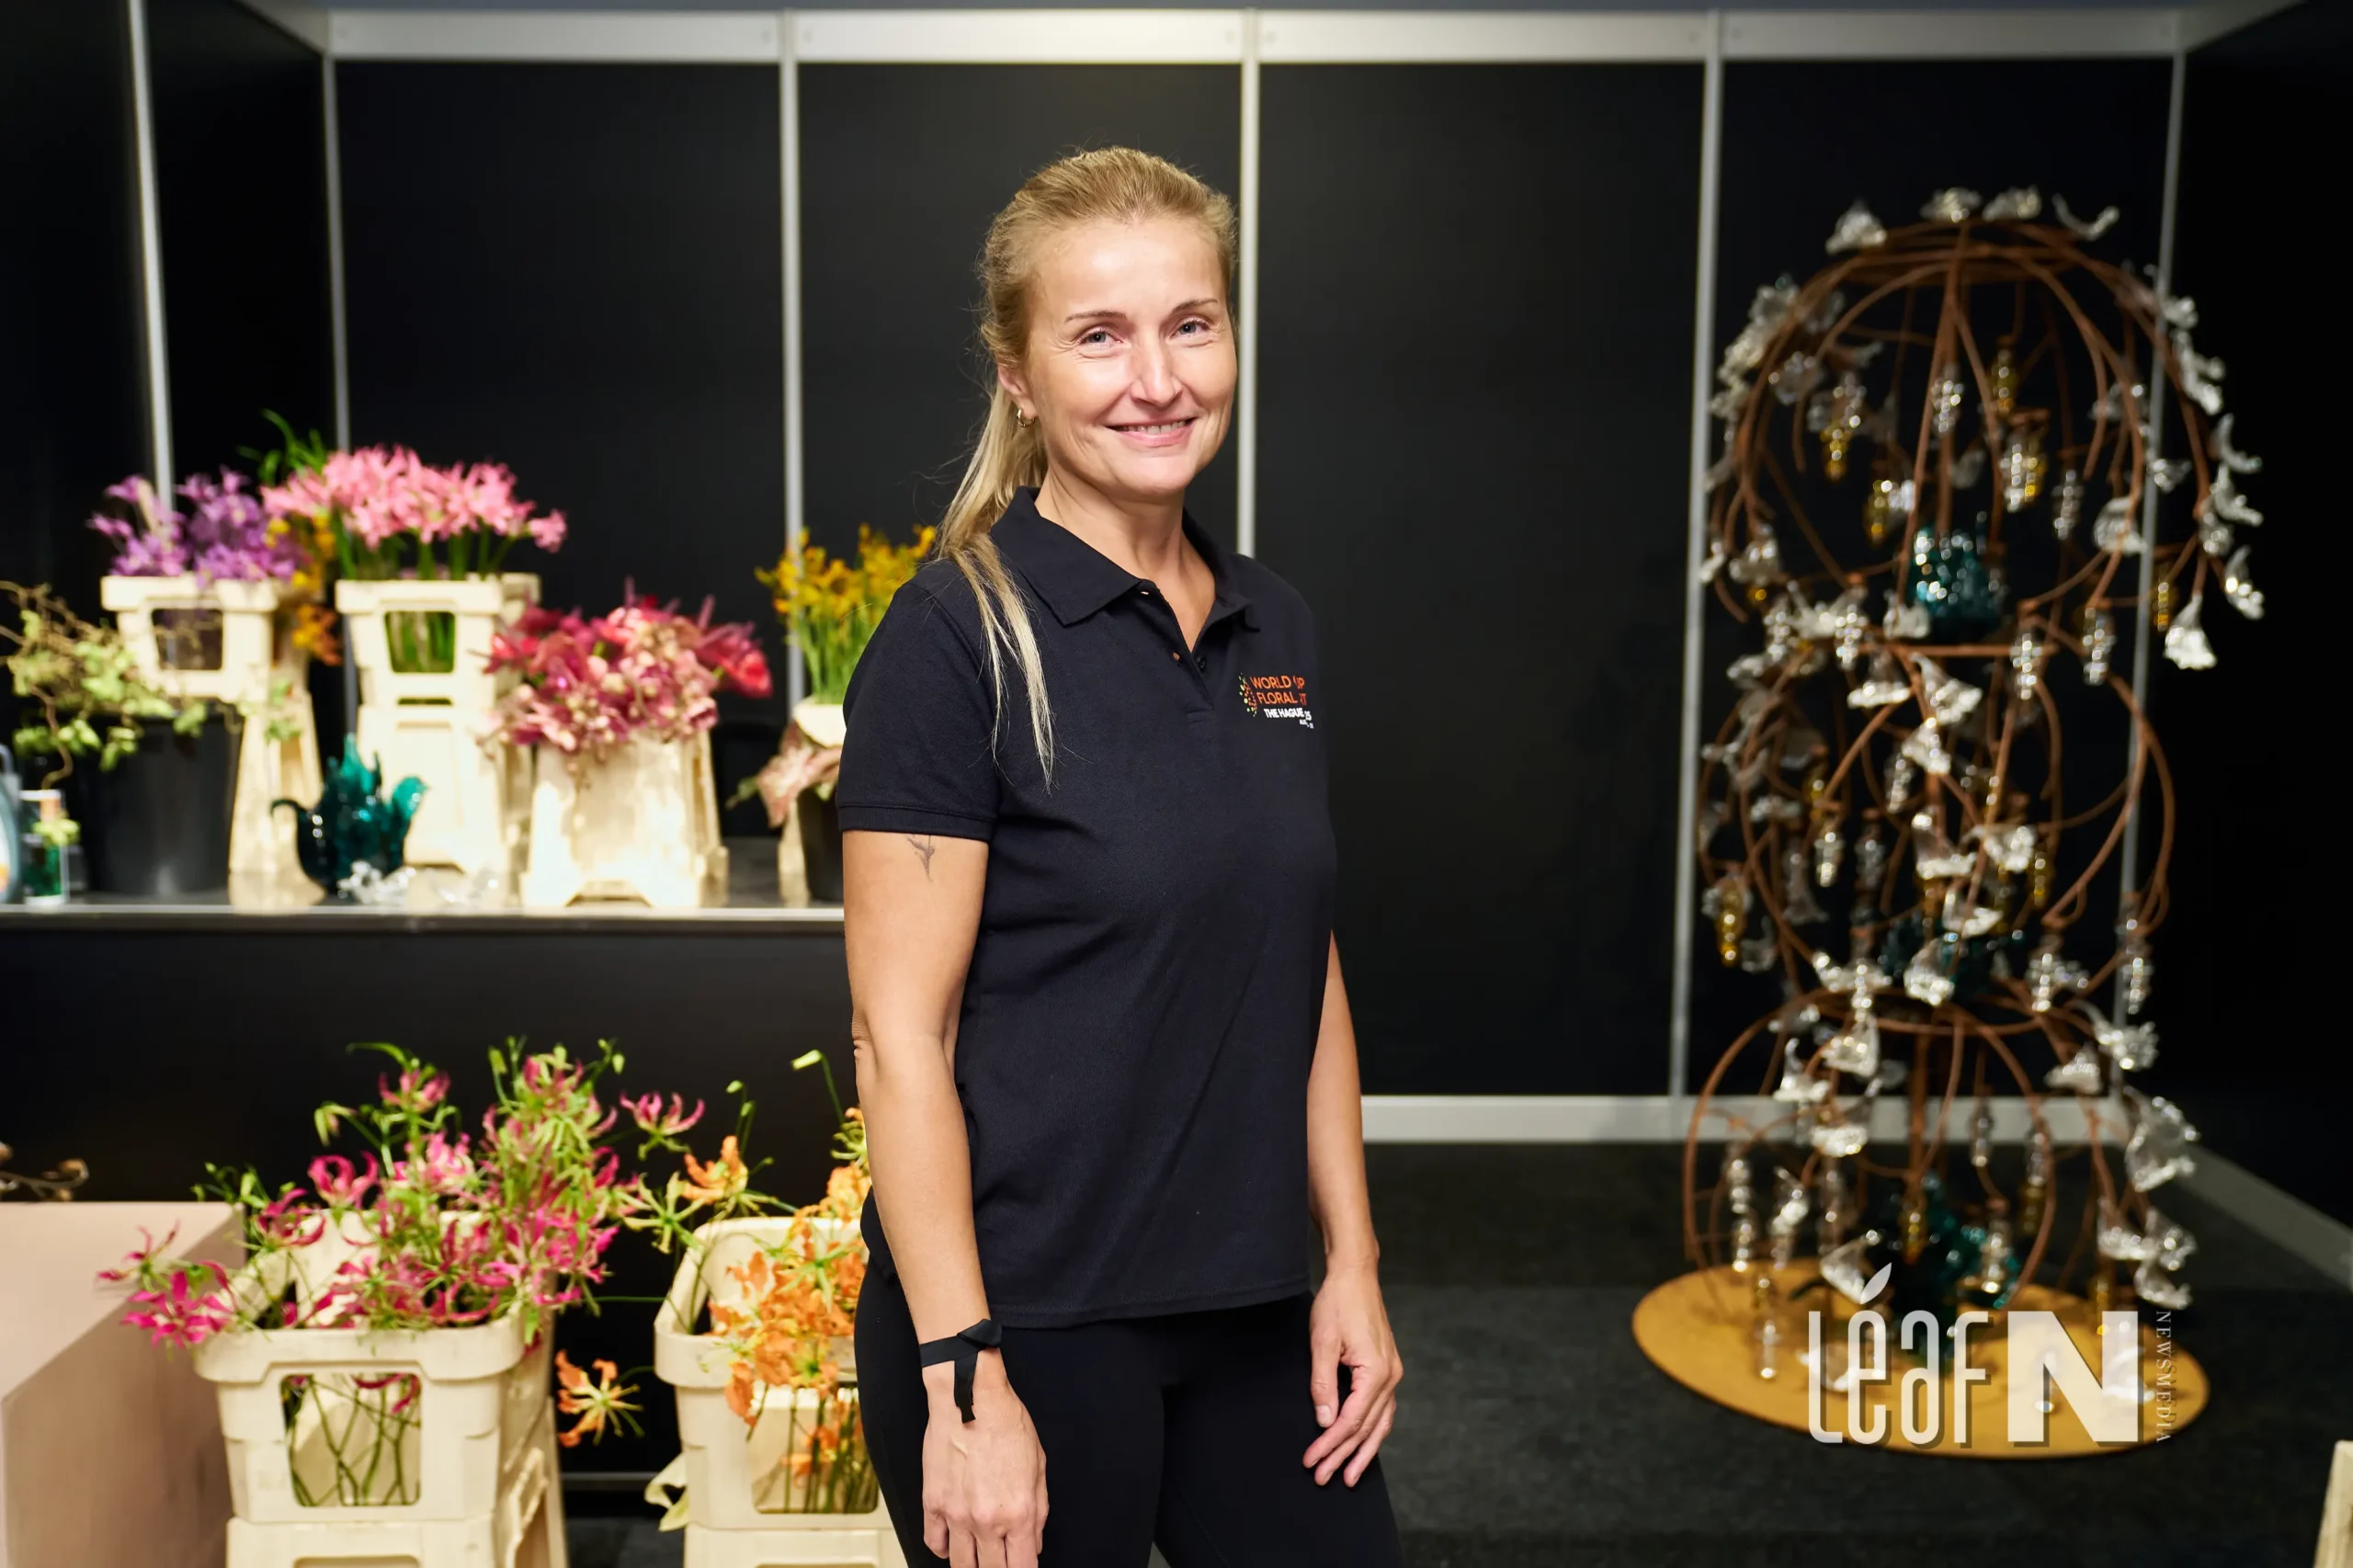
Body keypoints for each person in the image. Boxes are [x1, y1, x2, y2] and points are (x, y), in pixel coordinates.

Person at [835, 146, 1404, 1568]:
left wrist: (1350, 1260)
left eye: (1190, 323)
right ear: (1018, 375)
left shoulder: (1276, 625)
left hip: (1253, 1306)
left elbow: (1302, 962)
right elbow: (900, 1038)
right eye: (1099, 335)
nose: (1158, 379)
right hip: (1026, 1317)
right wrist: (963, 1378)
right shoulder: (953, 637)